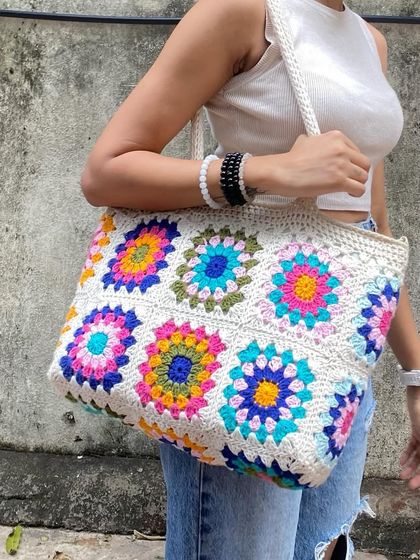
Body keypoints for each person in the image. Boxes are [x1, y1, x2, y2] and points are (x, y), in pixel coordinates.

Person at [79, 0, 420, 557]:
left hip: (340, 352)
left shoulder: (368, 40)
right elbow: (106, 171)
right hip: (241, 346)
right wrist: (264, 170)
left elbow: (372, 228)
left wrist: (415, 372)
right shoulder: (242, 12)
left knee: (323, 547)